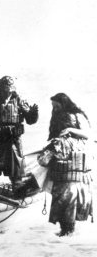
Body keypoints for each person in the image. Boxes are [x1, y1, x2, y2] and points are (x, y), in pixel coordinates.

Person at [36, 93, 93, 236]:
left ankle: (66, 234)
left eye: (56, 106)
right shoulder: (60, 141)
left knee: (67, 203)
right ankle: (68, 234)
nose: (54, 109)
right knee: (69, 204)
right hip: (72, 171)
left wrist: (70, 131)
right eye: (53, 106)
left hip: (74, 170)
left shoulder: (76, 117)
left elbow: (89, 134)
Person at [0, 76, 38, 191]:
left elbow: (30, 120)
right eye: (4, 89)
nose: (7, 92)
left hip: (14, 141)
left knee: (16, 173)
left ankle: (18, 194)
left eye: (9, 89)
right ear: (0, 89)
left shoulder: (19, 101)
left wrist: (34, 113)